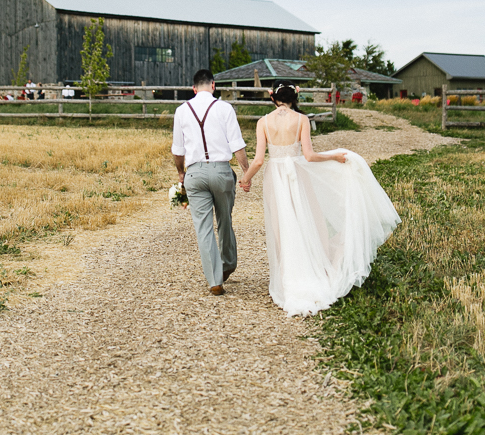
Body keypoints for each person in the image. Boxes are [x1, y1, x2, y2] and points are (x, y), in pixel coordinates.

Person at [238, 83, 401, 316]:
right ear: (294, 97)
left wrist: (246, 179)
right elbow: (310, 156)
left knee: (281, 226)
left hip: (275, 177)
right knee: (308, 220)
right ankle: (314, 271)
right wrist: (334, 156)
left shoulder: (262, 122)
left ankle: (288, 279)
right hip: (298, 174)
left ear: (272, 97)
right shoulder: (301, 120)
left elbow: (258, 161)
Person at [172, 68, 250, 296]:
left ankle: (214, 280)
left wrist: (181, 174)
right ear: (213, 85)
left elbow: (178, 150)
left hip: (194, 174)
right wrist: (246, 172)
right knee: (224, 220)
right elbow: (237, 145)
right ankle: (228, 264)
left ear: (193, 89)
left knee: (203, 227)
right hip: (221, 171)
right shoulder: (225, 109)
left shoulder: (181, 111)